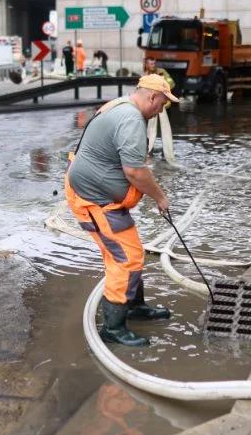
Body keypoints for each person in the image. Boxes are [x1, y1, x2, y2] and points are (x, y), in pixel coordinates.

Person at [64, 74, 179, 346]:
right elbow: (135, 172)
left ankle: (133, 306)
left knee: (131, 251)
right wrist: (160, 198)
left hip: (101, 197)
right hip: (93, 200)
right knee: (125, 259)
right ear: (152, 96)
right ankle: (113, 328)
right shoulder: (131, 120)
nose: (162, 110)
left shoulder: (121, 106)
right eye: (162, 104)